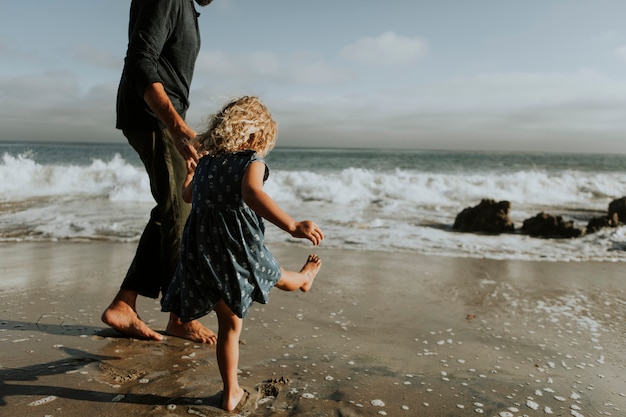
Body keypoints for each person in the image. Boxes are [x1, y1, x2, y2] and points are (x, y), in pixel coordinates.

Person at [161, 96, 324, 411]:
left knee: (227, 326)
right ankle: (304, 279)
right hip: (239, 248)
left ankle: (230, 391)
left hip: (204, 253)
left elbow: (187, 195)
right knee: (274, 275)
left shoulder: (207, 162)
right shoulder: (252, 162)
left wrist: (191, 173)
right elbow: (252, 193)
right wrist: (292, 225)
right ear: (256, 135)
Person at [101, 0, 217, 344]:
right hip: (153, 118)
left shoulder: (184, 6)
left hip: (158, 118)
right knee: (181, 213)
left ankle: (124, 303)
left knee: (171, 210)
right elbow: (139, 61)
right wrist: (176, 125)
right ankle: (180, 316)